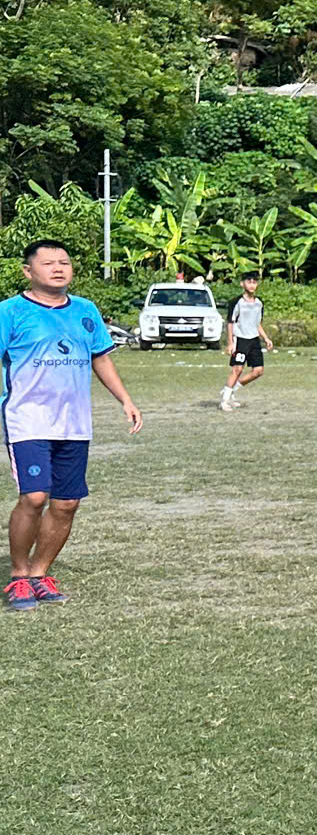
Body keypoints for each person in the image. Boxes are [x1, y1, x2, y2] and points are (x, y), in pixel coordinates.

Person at [3, 240, 143, 612]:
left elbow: (101, 358)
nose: (58, 268)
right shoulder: (10, 312)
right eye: (48, 263)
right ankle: (18, 576)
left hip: (74, 423)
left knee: (66, 504)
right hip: (27, 419)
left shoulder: (85, 310)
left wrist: (126, 400)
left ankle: (39, 574)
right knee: (34, 497)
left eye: (64, 262)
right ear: (28, 271)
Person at [220, 272, 276, 411]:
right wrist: (230, 343)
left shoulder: (259, 303)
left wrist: (266, 338)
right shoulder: (236, 302)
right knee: (237, 369)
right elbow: (230, 322)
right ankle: (225, 400)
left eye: (254, 282)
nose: (252, 285)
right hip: (240, 339)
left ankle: (231, 390)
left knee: (258, 371)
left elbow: (257, 324)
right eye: (249, 282)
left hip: (254, 340)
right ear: (242, 284)